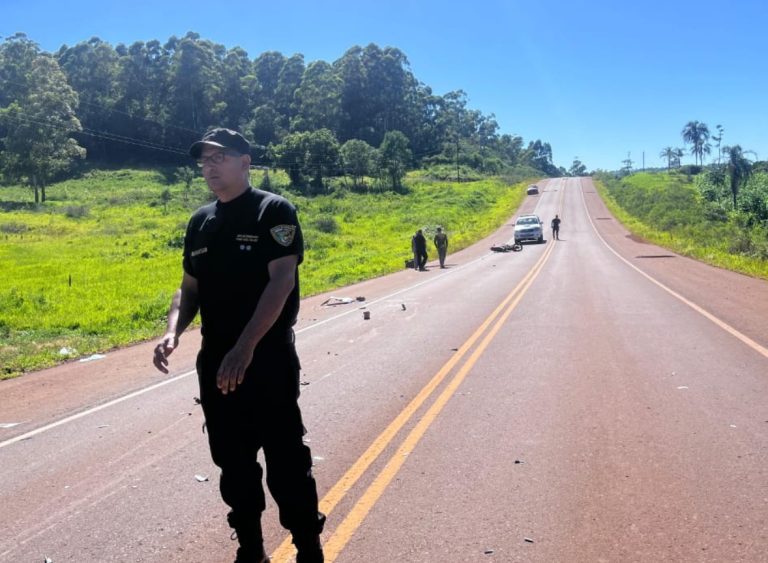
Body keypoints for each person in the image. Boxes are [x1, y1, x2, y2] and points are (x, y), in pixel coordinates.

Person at [152, 128, 324, 563]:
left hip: (265, 358)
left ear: (245, 163)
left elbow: (282, 280)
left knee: (286, 461)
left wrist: (246, 346)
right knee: (233, 461)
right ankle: (251, 549)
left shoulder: (273, 211)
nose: (209, 167)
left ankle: (308, 548)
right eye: (204, 161)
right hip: (216, 360)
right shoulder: (200, 222)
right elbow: (188, 288)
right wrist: (173, 330)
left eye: (219, 158)